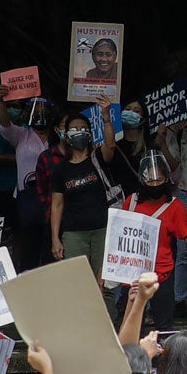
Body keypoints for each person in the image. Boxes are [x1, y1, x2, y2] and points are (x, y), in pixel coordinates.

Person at [118, 153, 187, 330]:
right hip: (131, 274)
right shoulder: (130, 202)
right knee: (130, 325)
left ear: (167, 180)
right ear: (142, 180)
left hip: (161, 275)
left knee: (164, 327)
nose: (154, 184)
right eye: (150, 181)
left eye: (159, 180)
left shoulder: (175, 206)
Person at [51, 109, 118, 278]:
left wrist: (106, 117)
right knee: (77, 281)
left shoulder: (97, 159)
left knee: (105, 281)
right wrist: (55, 238)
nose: (79, 131)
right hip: (74, 234)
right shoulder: (60, 169)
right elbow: (57, 205)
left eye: (83, 128)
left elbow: (110, 145)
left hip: (102, 230)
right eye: (74, 128)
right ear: (66, 135)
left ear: (90, 133)